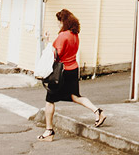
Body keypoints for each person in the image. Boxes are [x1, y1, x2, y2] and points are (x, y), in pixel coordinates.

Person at [38, 9, 107, 142]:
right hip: (73, 69)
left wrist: (47, 41)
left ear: (63, 22)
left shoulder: (62, 36)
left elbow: (55, 55)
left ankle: (48, 131)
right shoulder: (75, 35)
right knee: (75, 96)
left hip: (61, 72)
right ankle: (98, 111)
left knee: (50, 100)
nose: (58, 25)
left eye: (59, 22)